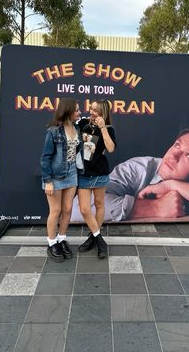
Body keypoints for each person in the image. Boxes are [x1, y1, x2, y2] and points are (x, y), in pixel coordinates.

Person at [104, 122, 189, 221]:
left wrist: (170, 185)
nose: (173, 156)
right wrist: (156, 208)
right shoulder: (137, 168)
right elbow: (89, 201)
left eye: (188, 156)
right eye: (177, 145)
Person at [40, 98, 82, 262]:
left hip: (72, 173)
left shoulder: (77, 128)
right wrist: (48, 181)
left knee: (68, 209)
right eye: (77, 110)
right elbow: (45, 157)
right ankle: (52, 243)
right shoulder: (54, 131)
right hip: (55, 176)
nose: (79, 112)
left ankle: (61, 238)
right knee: (55, 211)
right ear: (68, 111)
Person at [77, 99, 116, 258]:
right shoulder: (83, 123)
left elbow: (111, 148)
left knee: (99, 204)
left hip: (100, 173)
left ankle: (92, 238)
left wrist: (102, 128)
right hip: (84, 173)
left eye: (96, 110)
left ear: (103, 113)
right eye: (91, 109)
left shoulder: (108, 129)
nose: (92, 112)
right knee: (85, 209)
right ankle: (99, 239)